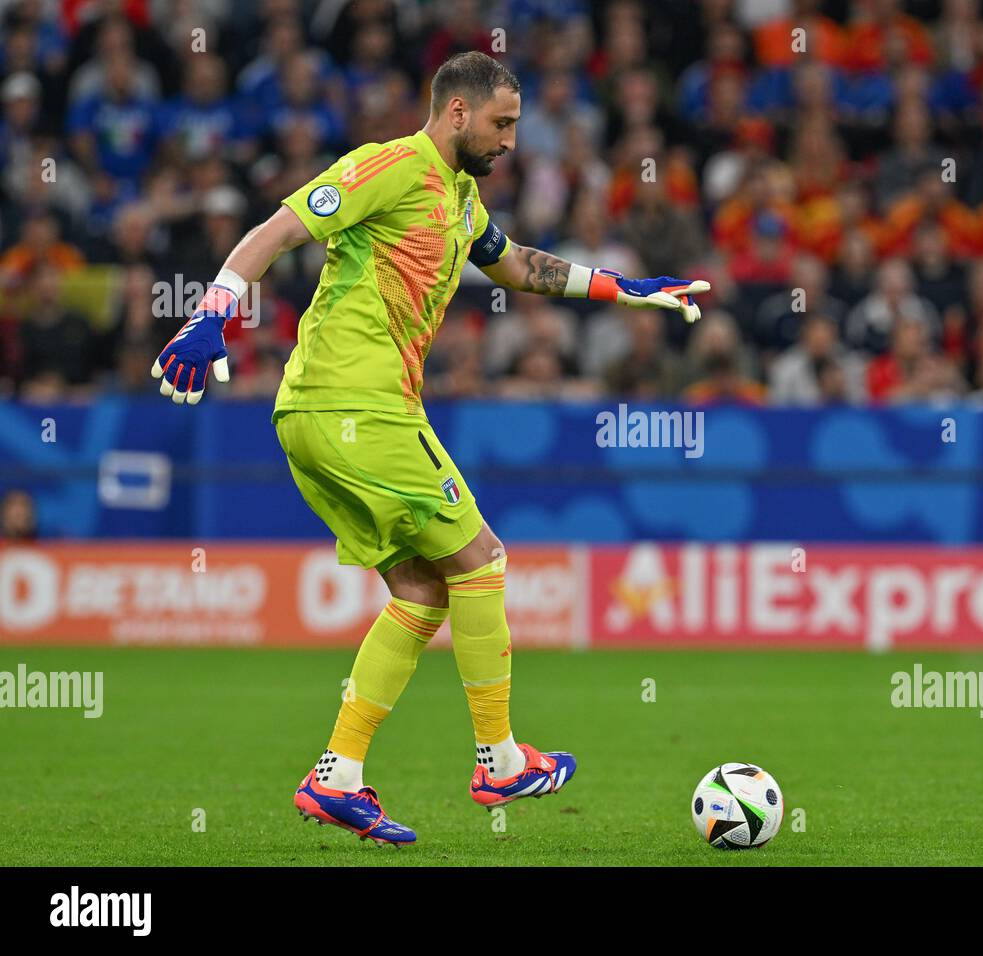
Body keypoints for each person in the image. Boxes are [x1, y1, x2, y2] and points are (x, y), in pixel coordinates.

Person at [149, 52, 709, 847]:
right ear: (456, 113)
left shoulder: (461, 197)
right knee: (481, 559)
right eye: (502, 123)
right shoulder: (388, 166)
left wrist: (626, 287)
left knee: (422, 591)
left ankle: (336, 777)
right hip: (356, 405)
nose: (512, 139)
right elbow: (275, 230)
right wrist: (212, 317)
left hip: (324, 415)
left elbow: (516, 266)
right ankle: (500, 760)